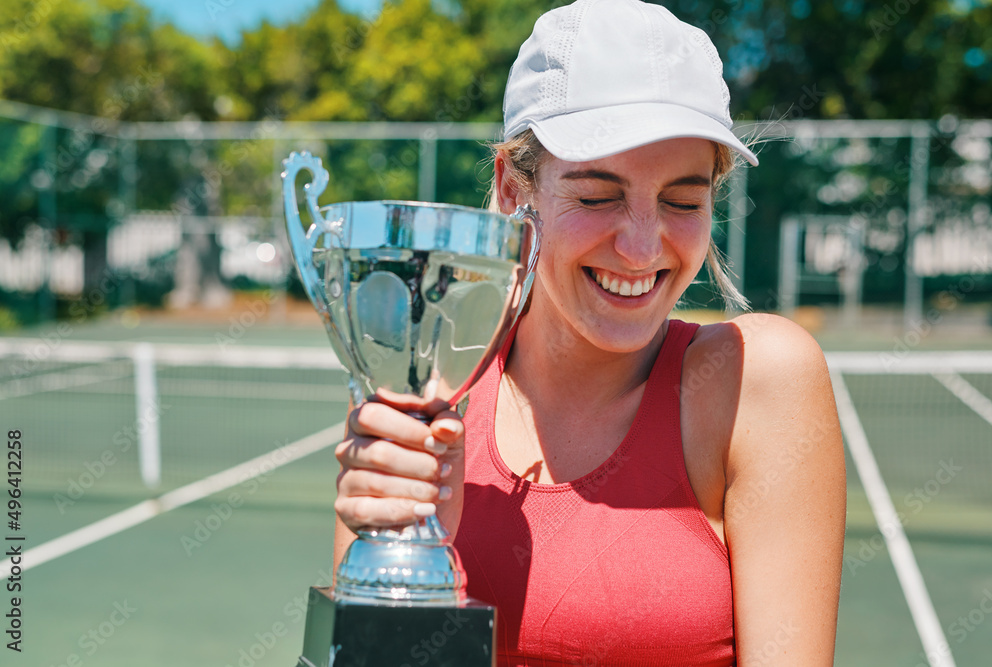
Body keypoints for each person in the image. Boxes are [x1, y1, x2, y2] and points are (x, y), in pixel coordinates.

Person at [333, 0, 846, 664]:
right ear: (516, 193)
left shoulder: (759, 380)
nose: (639, 246)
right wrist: (426, 553)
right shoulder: (416, 387)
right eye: (598, 195)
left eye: (682, 200)